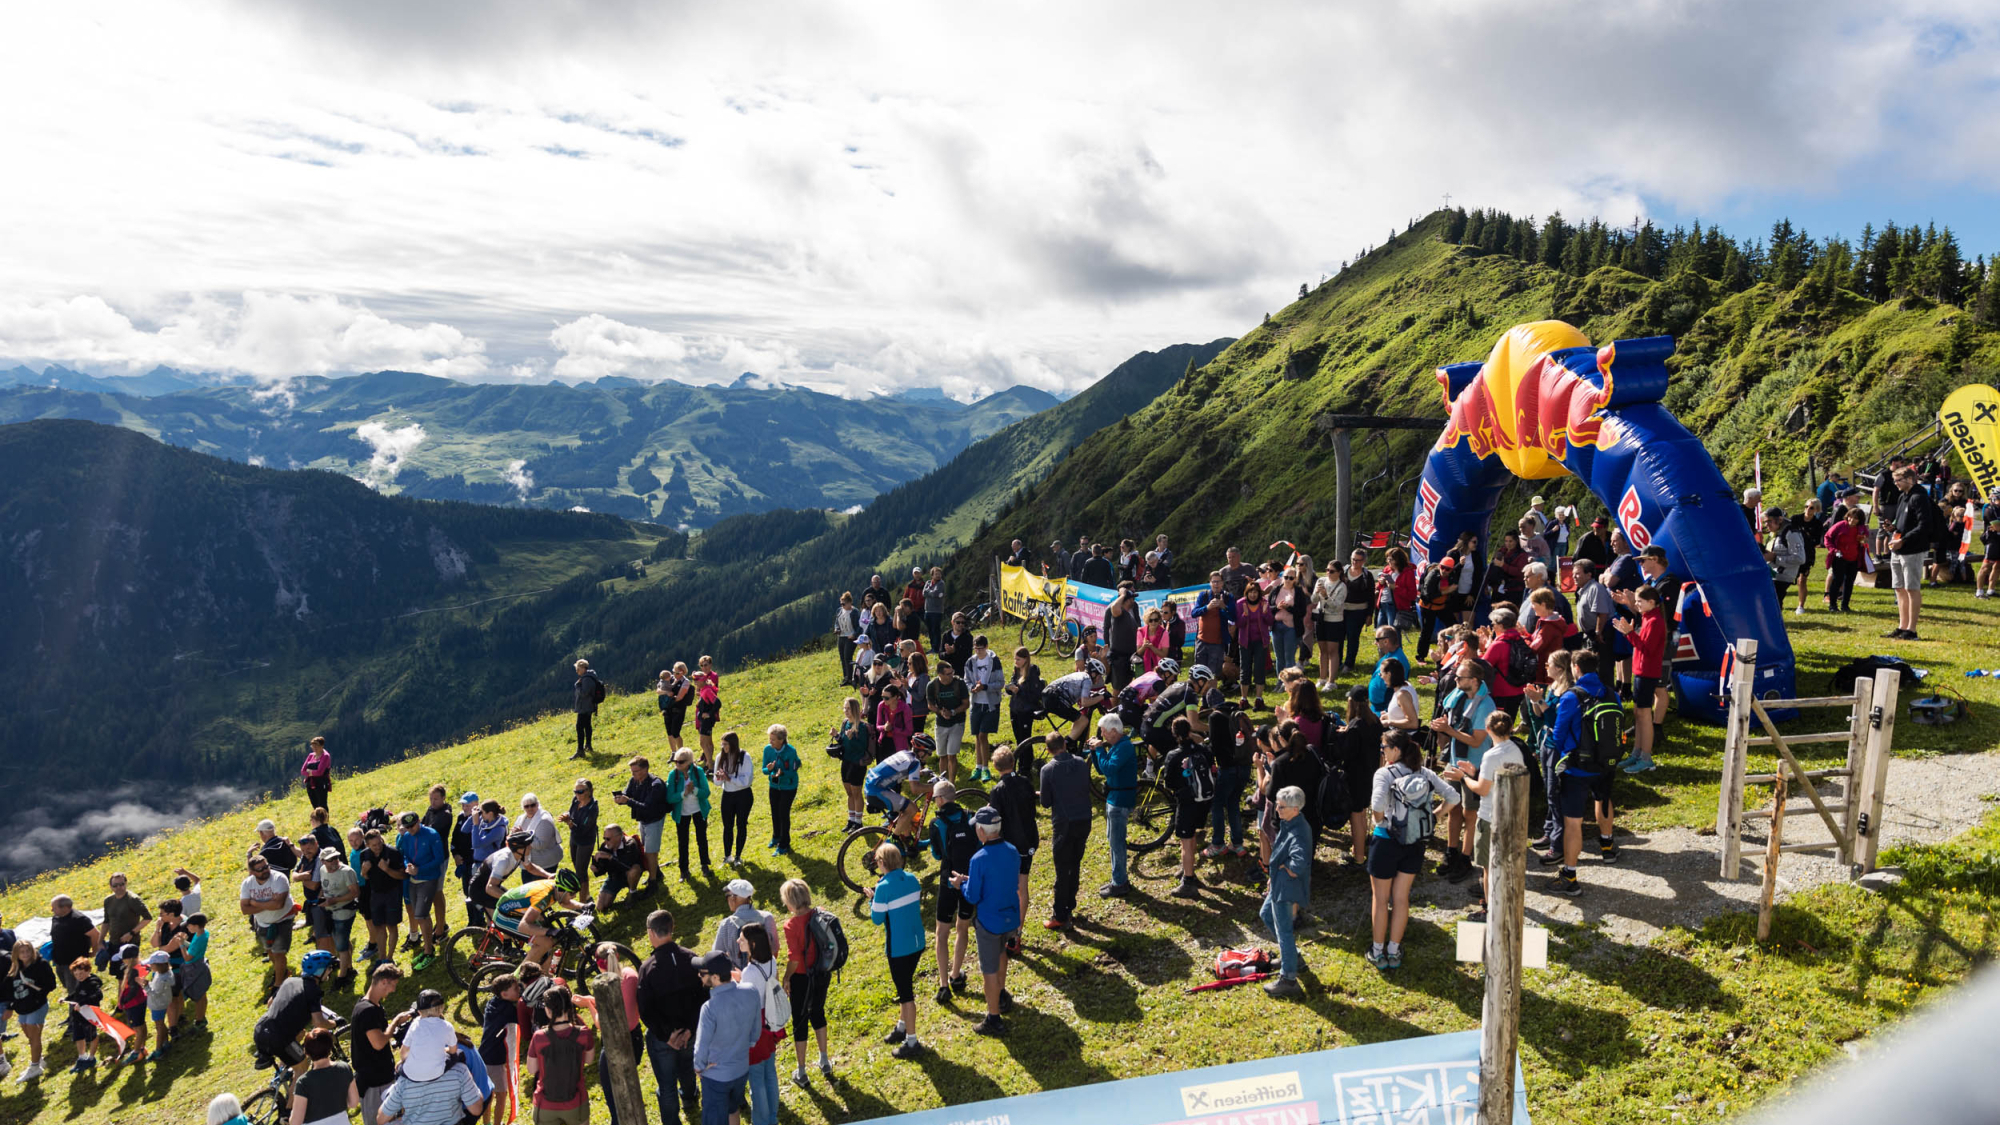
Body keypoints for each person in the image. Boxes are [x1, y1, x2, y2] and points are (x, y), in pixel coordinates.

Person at [1366, 732, 1459, 971]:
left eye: (1384, 747)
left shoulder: (1384, 773)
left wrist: (1380, 821)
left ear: (1395, 750)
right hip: (1414, 841)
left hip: (1386, 840)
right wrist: (1436, 815)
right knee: (1401, 898)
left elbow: (1377, 805)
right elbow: (1453, 796)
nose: (1382, 751)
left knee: (1380, 898)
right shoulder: (1423, 772)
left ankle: (1377, 952)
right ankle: (1394, 951)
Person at [1441, 711, 1527, 922]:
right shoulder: (1515, 749)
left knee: (1488, 867)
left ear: (1488, 731)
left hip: (1491, 817)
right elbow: (1496, 779)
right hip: (1511, 815)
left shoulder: (1491, 754)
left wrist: (1463, 778)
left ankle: (1488, 910)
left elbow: (1481, 789)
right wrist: (1475, 772)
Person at [951, 808, 1021, 1037]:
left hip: (989, 922)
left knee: (988, 971)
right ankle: (1001, 994)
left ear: (981, 831)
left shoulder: (978, 859)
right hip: (1010, 918)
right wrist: (972, 880)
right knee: (1002, 954)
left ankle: (993, 1018)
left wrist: (961, 884)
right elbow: (1001, 879)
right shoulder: (1012, 851)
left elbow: (972, 896)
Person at [1428, 658, 1496, 884]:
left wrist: (1448, 730)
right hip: (1455, 760)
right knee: (1453, 807)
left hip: (1473, 766)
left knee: (1470, 813)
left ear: (1475, 681)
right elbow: (1453, 724)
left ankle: (1466, 858)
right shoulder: (1457, 698)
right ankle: (1451, 851)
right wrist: (1442, 727)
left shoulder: (1486, 705)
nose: (1455, 680)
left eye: (1460, 677)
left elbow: (1477, 741)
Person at [637, 910, 705, 1125]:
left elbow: (645, 1009)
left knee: (666, 1087)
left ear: (650, 932)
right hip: (690, 1031)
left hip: (662, 1038)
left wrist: (666, 1035)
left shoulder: (648, 968)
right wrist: (690, 1030)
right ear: (672, 928)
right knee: (687, 1068)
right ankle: (689, 1097)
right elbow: (703, 996)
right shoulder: (692, 958)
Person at [866, 844, 928, 1060]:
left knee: (906, 993)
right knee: (905, 985)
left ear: (882, 863)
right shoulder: (912, 878)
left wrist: (872, 899)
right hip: (917, 942)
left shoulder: (883, 888)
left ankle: (911, 1041)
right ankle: (902, 1027)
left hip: (899, 948)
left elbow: (877, 918)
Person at [691, 951, 761, 1125]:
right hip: (741, 1070)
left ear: (715, 977)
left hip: (716, 1077)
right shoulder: (751, 991)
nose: (699, 976)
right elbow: (755, 1032)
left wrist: (699, 1067)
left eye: (702, 973)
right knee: (733, 1110)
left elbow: (701, 1047)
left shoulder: (709, 1008)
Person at [776, 879, 833, 1083]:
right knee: (818, 1013)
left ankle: (801, 1071)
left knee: (800, 1021)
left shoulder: (791, 925)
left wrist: (786, 977)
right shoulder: (820, 913)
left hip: (802, 977)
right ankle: (824, 1060)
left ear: (790, 902)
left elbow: (795, 958)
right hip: (822, 972)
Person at [1259, 785, 1311, 997]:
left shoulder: (1298, 831)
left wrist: (1285, 870)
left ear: (1295, 809)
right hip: (1279, 884)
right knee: (1265, 915)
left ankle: (1288, 979)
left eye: (1281, 807)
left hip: (1286, 888)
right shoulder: (1290, 823)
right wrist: (1274, 876)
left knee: (1284, 931)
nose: (1277, 810)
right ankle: (1293, 956)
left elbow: (1299, 861)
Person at [926, 779, 977, 995]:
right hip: (968, 879)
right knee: (962, 927)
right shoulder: (971, 816)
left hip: (948, 880)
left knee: (941, 932)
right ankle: (956, 975)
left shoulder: (936, 824)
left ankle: (943, 985)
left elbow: (937, 854)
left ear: (939, 799)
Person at [986, 746, 1039, 943]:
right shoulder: (1025, 782)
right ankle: (1018, 932)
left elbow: (995, 822)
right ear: (1013, 762)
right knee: (1022, 887)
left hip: (1009, 846)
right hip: (1028, 840)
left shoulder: (997, 790)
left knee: (1007, 888)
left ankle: (1007, 929)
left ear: (995, 767)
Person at [1612, 586, 1666, 773]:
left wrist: (1629, 633)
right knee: (1638, 713)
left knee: (1644, 715)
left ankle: (1646, 757)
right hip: (1640, 671)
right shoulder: (1648, 616)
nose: (1637, 605)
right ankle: (1637, 752)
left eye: (1640, 602)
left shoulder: (1655, 621)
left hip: (1647, 672)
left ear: (1652, 602)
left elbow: (1647, 648)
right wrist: (1629, 605)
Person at [254, 949, 337, 1070]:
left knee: (300, 1034)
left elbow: (270, 1003)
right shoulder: (313, 990)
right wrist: (334, 1023)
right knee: (302, 1068)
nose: (330, 971)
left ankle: (284, 1069)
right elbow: (318, 1022)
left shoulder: (290, 981)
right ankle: (293, 1085)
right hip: (278, 1037)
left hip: (261, 1029)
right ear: (320, 971)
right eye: (329, 968)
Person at [1161, 716, 1216, 898]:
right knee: (1192, 835)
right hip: (1203, 800)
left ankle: (1188, 880)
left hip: (1186, 802)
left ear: (1174, 734)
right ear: (1190, 730)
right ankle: (1188, 868)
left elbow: (1169, 782)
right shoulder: (1203, 750)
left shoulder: (1173, 756)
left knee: (1186, 840)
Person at [349, 962, 408, 1125]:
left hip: (382, 1078)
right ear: (383, 982)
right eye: (393, 985)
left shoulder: (370, 1006)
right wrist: (395, 1022)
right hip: (374, 1083)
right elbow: (379, 1043)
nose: (394, 990)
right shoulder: (367, 1010)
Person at [493, 870, 585, 970]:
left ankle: (544, 975)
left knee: (549, 943)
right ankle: (519, 977)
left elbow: (563, 901)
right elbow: (523, 926)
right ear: (561, 890)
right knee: (545, 943)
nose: (574, 896)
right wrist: (549, 931)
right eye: (572, 893)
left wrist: (583, 906)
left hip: (516, 911)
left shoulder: (555, 888)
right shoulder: (543, 897)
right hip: (504, 916)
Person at [1089, 713, 1138, 897]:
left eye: (1104, 732)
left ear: (1114, 731)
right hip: (1113, 799)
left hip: (1120, 801)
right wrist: (1095, 752)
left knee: (1117, 844)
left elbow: (1109, 768)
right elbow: (1103, 769)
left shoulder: (1124, 747)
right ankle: (1118, 879)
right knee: (1113, 841)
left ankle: (1119, 883)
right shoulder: (1117, 746)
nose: (1102, 735)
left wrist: (1100, 750)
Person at [1887, 466, 1935, 639]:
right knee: (1899, 588)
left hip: (1913, 550)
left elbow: (1925, 525)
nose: (1896, 484)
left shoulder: (1919, 497)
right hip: (1898, 549)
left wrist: (1904, 539)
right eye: (1894, 480)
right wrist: (1893, 529)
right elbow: (1903, 523)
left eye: (1898, 480)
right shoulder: (1902, 497)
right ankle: (1902, 626)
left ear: (1909, 479)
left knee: (1911, 588)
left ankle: (1912, 630)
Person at [396, 811, 447, 971]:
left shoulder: (432, 834)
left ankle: (429, 951)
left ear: (419, 821)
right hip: (413, 879)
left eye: (412, 826)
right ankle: (428, 948)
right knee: (420, 916)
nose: (410, 829)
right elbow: (405, 855)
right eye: (407, 827)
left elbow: (438, 858)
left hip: (428, 879)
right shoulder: (406, 837)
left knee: (421, 915)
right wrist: (408, 866)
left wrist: (420, 869)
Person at [864, 734, 936, 841]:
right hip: (877, 790)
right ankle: (894, 839)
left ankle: (907, 839)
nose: (929, 756)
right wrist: (934, 787)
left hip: (872, 785)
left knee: (905, 808)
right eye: (928, 753)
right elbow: (915, 789)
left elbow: (901, 772)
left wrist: (920, 773)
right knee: (912, 808)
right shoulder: (914, 762)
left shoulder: (904, 753)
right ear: (921, 752)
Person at [240, 851, 296, 987]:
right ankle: (282, 972)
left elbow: (278, 905)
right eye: (260, 869)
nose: (265, 870)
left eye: (266, 866)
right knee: (270, 952)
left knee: (278, 953)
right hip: (262, 922)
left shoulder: (279, 878)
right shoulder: (247, 884)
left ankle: (278, 985)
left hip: (283, 919)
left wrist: (255, 903)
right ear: (252, 872)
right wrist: (268, 904)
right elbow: (245, 910)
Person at [616, 756, 671, 894]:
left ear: (645, 769)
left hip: (654, 820)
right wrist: (620, 797)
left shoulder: (656, 784)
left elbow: (647, 807)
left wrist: (628, 801)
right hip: (643, 820)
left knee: (650, 852)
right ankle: (656, 873)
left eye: (636, 771)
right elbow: (627, 793)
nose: (633, 774)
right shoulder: (634, 781)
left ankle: (653, 882)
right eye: (632, 771)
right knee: (646, 849)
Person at [4, 940, 57, 1080]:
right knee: (28, 1034)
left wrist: (37, 995)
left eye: (28, 951)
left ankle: (34, 1067)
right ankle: (39, 1059)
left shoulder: (41, 964)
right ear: (16, 954)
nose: (26, 954)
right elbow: (9, 988)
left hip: (37, 1006)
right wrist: (11, 1006)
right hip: (22, 1008)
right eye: (22, 952)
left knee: (34, 1037)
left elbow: (51, 984)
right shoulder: (15, 968)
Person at [359, 829, 408, 969]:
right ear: (367, 845)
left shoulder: (392, 852)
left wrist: (387, 870)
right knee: (378, 926)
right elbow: (366, 877)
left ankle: (389, 958)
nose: (378, 846)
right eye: (374, 845)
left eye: (379, 842)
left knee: (392, 925)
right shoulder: (364, 855)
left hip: (392, 893)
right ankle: (381, 958)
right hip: (376, 894)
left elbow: (403, 876)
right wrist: (363, 871)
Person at [661, 747, 713, 880]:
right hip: (681, 813)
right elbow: (669, 797)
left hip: (699, 810)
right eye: (676, 761)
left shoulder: (698, 772)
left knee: (702, 838)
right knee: (682, 841)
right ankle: (684, 870)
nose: (677, 764)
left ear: (689, 762)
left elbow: (706, 792)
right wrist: (683, 793)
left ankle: (705, 865)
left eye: (681, 762)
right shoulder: (673, 775)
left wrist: (694, 790)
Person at [291, 1026, 361, 1125]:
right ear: (330, 1047)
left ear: (306, 1052)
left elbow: (296, 1122)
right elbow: (354, 1103)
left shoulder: (303, 1082)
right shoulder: (344, 1068)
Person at [712, 880, 780, 971]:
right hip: (765, 975)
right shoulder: (767, 917)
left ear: (733, 898)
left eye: (727, 896)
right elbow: (774, 949)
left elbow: (716, 954)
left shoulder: (726, 924)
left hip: (738, 980)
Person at [1042, 658, 1111, 743]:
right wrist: (1102, 696)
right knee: (1083, 720)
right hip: (1056, 699)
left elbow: (1081, 692)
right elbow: (1085, 703)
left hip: (1049, 696)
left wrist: (1096, 693)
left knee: (1078, 719)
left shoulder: (1080, 675)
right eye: (1099, 676)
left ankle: (1072, 745)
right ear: (1093, 674)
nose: (1099, 679)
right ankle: (1067, 744)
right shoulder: (1087, 680)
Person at [965, 634, 1005, 779]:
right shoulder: (970, 662)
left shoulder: (994, 661)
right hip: (976, 703)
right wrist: (972, 688)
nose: (978, 652)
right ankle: (978, 767)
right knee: (977, 736)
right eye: (976, 649)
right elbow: (966, 680)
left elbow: (1001, 683)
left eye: (981, 649)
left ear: (986, 647)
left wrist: (985, 687)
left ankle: (986, 768)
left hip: (990, 703)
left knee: (983, 734)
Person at [1478, 609, 1532, 718]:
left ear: (1501, 625)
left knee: (1498, 724)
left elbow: (1484, 666)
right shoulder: (1521, 639)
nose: (1492, 626)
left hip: (1501, 692)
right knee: (1509, 721)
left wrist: (1481, 651)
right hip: (1519, 689)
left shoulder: (1498, 645)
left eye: (1493, 623)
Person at [714, 731, 757, 868]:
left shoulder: (745, 757)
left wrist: (729, 778)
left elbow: (746, 781)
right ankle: (727, 856)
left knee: (741, 824)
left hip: (743, 795)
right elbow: (716, 781)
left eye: (725, 744)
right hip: (727, 795)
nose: (723, 747)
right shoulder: (720, 757)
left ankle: (738, 855)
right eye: (722, 744)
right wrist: (720, 778)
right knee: (727, 826)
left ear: (732, 744)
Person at [925, 656, 970, 783]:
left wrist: (953, 712)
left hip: (957, 722)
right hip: (941, 724)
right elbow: (930, 705)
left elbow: (966, 703)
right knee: (942, 755)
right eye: (948, 674)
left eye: (952, 673)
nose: (951, 676)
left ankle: (951, 783)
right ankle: (943, 782)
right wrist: (941, 712)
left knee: (952, 755)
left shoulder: (959, 683)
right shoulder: (932, 686)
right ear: (940, 674)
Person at [98, 871, 153, 976]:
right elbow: (106, 922)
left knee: (130, 974)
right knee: (119, 975)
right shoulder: (108, 901)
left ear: (126, 883)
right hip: (114, 942)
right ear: (110, 886)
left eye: (121, 884)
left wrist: (131, 933)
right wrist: (100, 941)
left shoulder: (133, 899)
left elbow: (147, 918)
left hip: (130, 944)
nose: (119, 887)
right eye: (115, 885)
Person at [757, 724, 801, 856]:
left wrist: (783, 774)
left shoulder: (790, 751)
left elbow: (792, 772)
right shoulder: (768, 750)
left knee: (783, 813)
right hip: (774, 786)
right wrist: (769, 770)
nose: (770, 742)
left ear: (781, 740)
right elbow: (764, 769)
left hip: (789, 787)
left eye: (773, 739)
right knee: (775, 812)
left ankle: (784, 844)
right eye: (770, 739)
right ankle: (776, 837)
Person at [1234, 580, 1274, 709]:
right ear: (1247, 593)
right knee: (1245, 669)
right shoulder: (1240, 603)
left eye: (1255, 592)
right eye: (1250, 592)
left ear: (1259, 593)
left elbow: (1270, 621)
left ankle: (1259, 699)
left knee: (1259, 669)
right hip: (1245, 641)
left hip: (1260, 641)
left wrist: (1264, 613)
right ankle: (1244, 699)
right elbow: (1239, 624)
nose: (1253, 595)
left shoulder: (1264, 603)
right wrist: (1245, 615)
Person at [591, 826, 647, 913]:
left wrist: (610, 857)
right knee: (600, 907)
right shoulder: (605, 846)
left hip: (628, 874)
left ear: (619, 836)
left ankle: (632, 893)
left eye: (608, 839)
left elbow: (627, 866)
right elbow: (604, 868)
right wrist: (597, 869)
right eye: (604, 838)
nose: (606, 841)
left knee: (633, 871)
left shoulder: (630, 843)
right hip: (615, 877)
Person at [1190, 571, 1235, 678]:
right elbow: (1194, 613)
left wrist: (1224, 607)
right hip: (1201, 641)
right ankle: (1201, 694)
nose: (1216, 584)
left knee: (1213, 674)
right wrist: (1207, 607)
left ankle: (1212, 693)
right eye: (1214, 582)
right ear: (1210, 583)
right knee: (1199, 672)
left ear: (1223, 583)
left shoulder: (1228, 597)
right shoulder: (1204, 595)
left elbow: (1233, 617)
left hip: (1218, 642)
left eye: (1218, 582)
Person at [1004, 646, 1044, 753]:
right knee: (1018, 739)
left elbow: (1035, 695)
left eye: (1018, 659)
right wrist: (1009, 688)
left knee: (1025, 739)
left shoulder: (1032, 671)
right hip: (1015, 709)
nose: (1015, 662)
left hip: (1026, 710)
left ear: (1025, 659)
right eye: (1015, 659)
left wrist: (1019, 691)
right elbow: (1011, 687)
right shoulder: (1016, 670)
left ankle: (1026, 765)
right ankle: (1021, 762)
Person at [1366, 625, 1412, 716]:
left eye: (1377, 639)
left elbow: (1396, 688)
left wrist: (1387, 712)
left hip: (1384, 710)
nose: (1375, 643)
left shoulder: (1396, 662)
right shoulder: (1389, 655)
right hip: (1377, 708)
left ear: (1386, 641)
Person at [1763, 508, 1808, 600]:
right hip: (1771, 574)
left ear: (1780, 519)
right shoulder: (1774, 533)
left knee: (1773, 606)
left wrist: (1775, 558)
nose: (1766, 524)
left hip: (1782, 577)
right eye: (1765, 521)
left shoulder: (1791, 533)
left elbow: (1800, 558)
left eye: (1769, 521)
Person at [1103, 583, 1140, 691]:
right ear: (1126, 599)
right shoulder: (1117, 612)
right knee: (1118, 692)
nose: (1133, 600)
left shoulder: (1129, 612)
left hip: (1130, 656)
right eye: (1131, 597)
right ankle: (1114, 708)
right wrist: (1123, 594)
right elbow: (1106, 628)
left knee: (1127, 689)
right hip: (1119, 658)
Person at [692, 656, 723, 769]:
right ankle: (709, 764)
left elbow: (717, 702)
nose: (694, 682)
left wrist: (709, 713)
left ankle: (710, 765)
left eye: (696, 680)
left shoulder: (707, 689)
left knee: (704, 742)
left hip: (707, 718)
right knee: (705, 741)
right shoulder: (704, 689)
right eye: (702, 665)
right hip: (704, 716)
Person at [571, 659, 605, 760]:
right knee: (586, 726)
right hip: (588, 706)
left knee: (579, 727)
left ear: (582, 668)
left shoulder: (587, 679)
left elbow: (584, 693)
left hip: (585, 707)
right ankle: (588, 746)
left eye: (578, 669)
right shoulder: (589, 677)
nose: (577, 671)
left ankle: (580, 750)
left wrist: (577, 686)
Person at [658, 664, 695, 753]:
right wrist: (666, 692)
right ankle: (673, 753)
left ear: (682, 672)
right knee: (669, 732)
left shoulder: (685, 682)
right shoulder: (668, 678)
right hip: (668, 709)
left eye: (677, 673)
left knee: (675, 732)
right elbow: (658, 691)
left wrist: (670, 698)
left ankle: (681, 752)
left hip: (678, 709)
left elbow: (679, 697)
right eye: (673, 672)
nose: (674, 674)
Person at [832, 594, 863, 687]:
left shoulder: (855, 612)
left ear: (850, 602)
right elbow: (837, 622)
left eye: (844, 603)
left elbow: (859, 626)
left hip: (850, 637)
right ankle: (846, 677)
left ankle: (850, 678)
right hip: (841, 636)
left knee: (847, 657)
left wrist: (854, 635)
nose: (842, 605)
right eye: (841, 603)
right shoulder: (839, 610)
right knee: (842, 657)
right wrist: (836, 629)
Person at [301, 736, 334, 813]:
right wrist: (313, 773)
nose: (314, 748)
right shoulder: (311, 755)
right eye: (313, 746)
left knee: (322, 804)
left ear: (322, 746)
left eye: (316, 745)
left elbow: (320, 772)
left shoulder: (325, 756)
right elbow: (303, 770)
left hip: (321, 783)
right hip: (311, 783)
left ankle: (325, 821)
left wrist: (310, 772)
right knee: (314, 804)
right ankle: (318, 821)